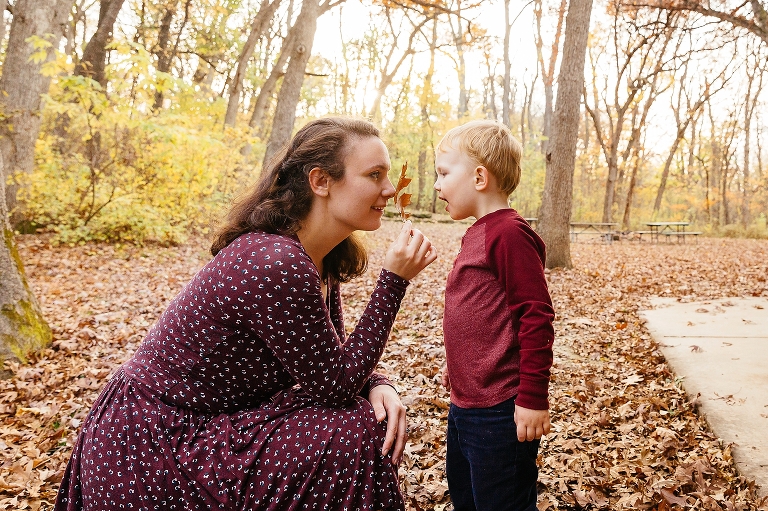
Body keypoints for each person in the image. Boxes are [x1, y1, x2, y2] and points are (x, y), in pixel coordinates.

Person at [54, 117, 437, 511]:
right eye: (375, 175)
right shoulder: (276, 259)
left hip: (209, 426)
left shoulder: (315, 255)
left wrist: (379, 383)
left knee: (359, 418)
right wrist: (393, 282)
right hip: (152, 443)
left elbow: (326, 360)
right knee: (352, 426)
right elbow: (335, 385)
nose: (390, 189)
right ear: (320, 181)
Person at [433, 120, 555, 511]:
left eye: (443, 174)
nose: (437, 185)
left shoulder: (509, 234)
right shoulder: (479, 231)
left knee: (502, 503)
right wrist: (460, 365)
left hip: (500, 411)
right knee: (468, 496)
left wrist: (533, 398)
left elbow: (535, 316)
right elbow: (481, 312)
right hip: (466, 405)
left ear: (480, 177)